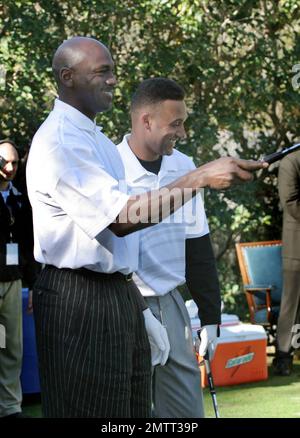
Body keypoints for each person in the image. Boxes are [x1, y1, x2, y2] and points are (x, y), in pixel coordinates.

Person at [26, 36, 267, 418]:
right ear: (67, 77)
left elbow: (134, 243)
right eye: (102, 72)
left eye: (113, 71)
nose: (112, 81)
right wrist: (200, 176)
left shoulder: (96, 141)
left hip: (119, 295)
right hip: (81, 298)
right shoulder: (61, 141)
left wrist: (139, 306)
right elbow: (121, 219)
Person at [117, 77, 221, 418]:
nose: (183, 133)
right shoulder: (110, 165)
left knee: (186, 413)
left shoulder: (185, 166)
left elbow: (198, 245)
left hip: (171, 303)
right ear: (146, 121)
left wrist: (211, 318)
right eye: (175, 124)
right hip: (121, 303)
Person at [0, 139, 37, 418]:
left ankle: (10, 406)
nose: (9, 168)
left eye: (14, 162)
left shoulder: (20, 199)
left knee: (11, 346)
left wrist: (33, 283)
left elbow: (27, 242)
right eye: (4, 162)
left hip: (13, 281)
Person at [273, 150, 300, 375]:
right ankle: (284, 355)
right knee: (292, 303)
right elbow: (291, 203)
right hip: (297, 246)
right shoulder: (291, 162)